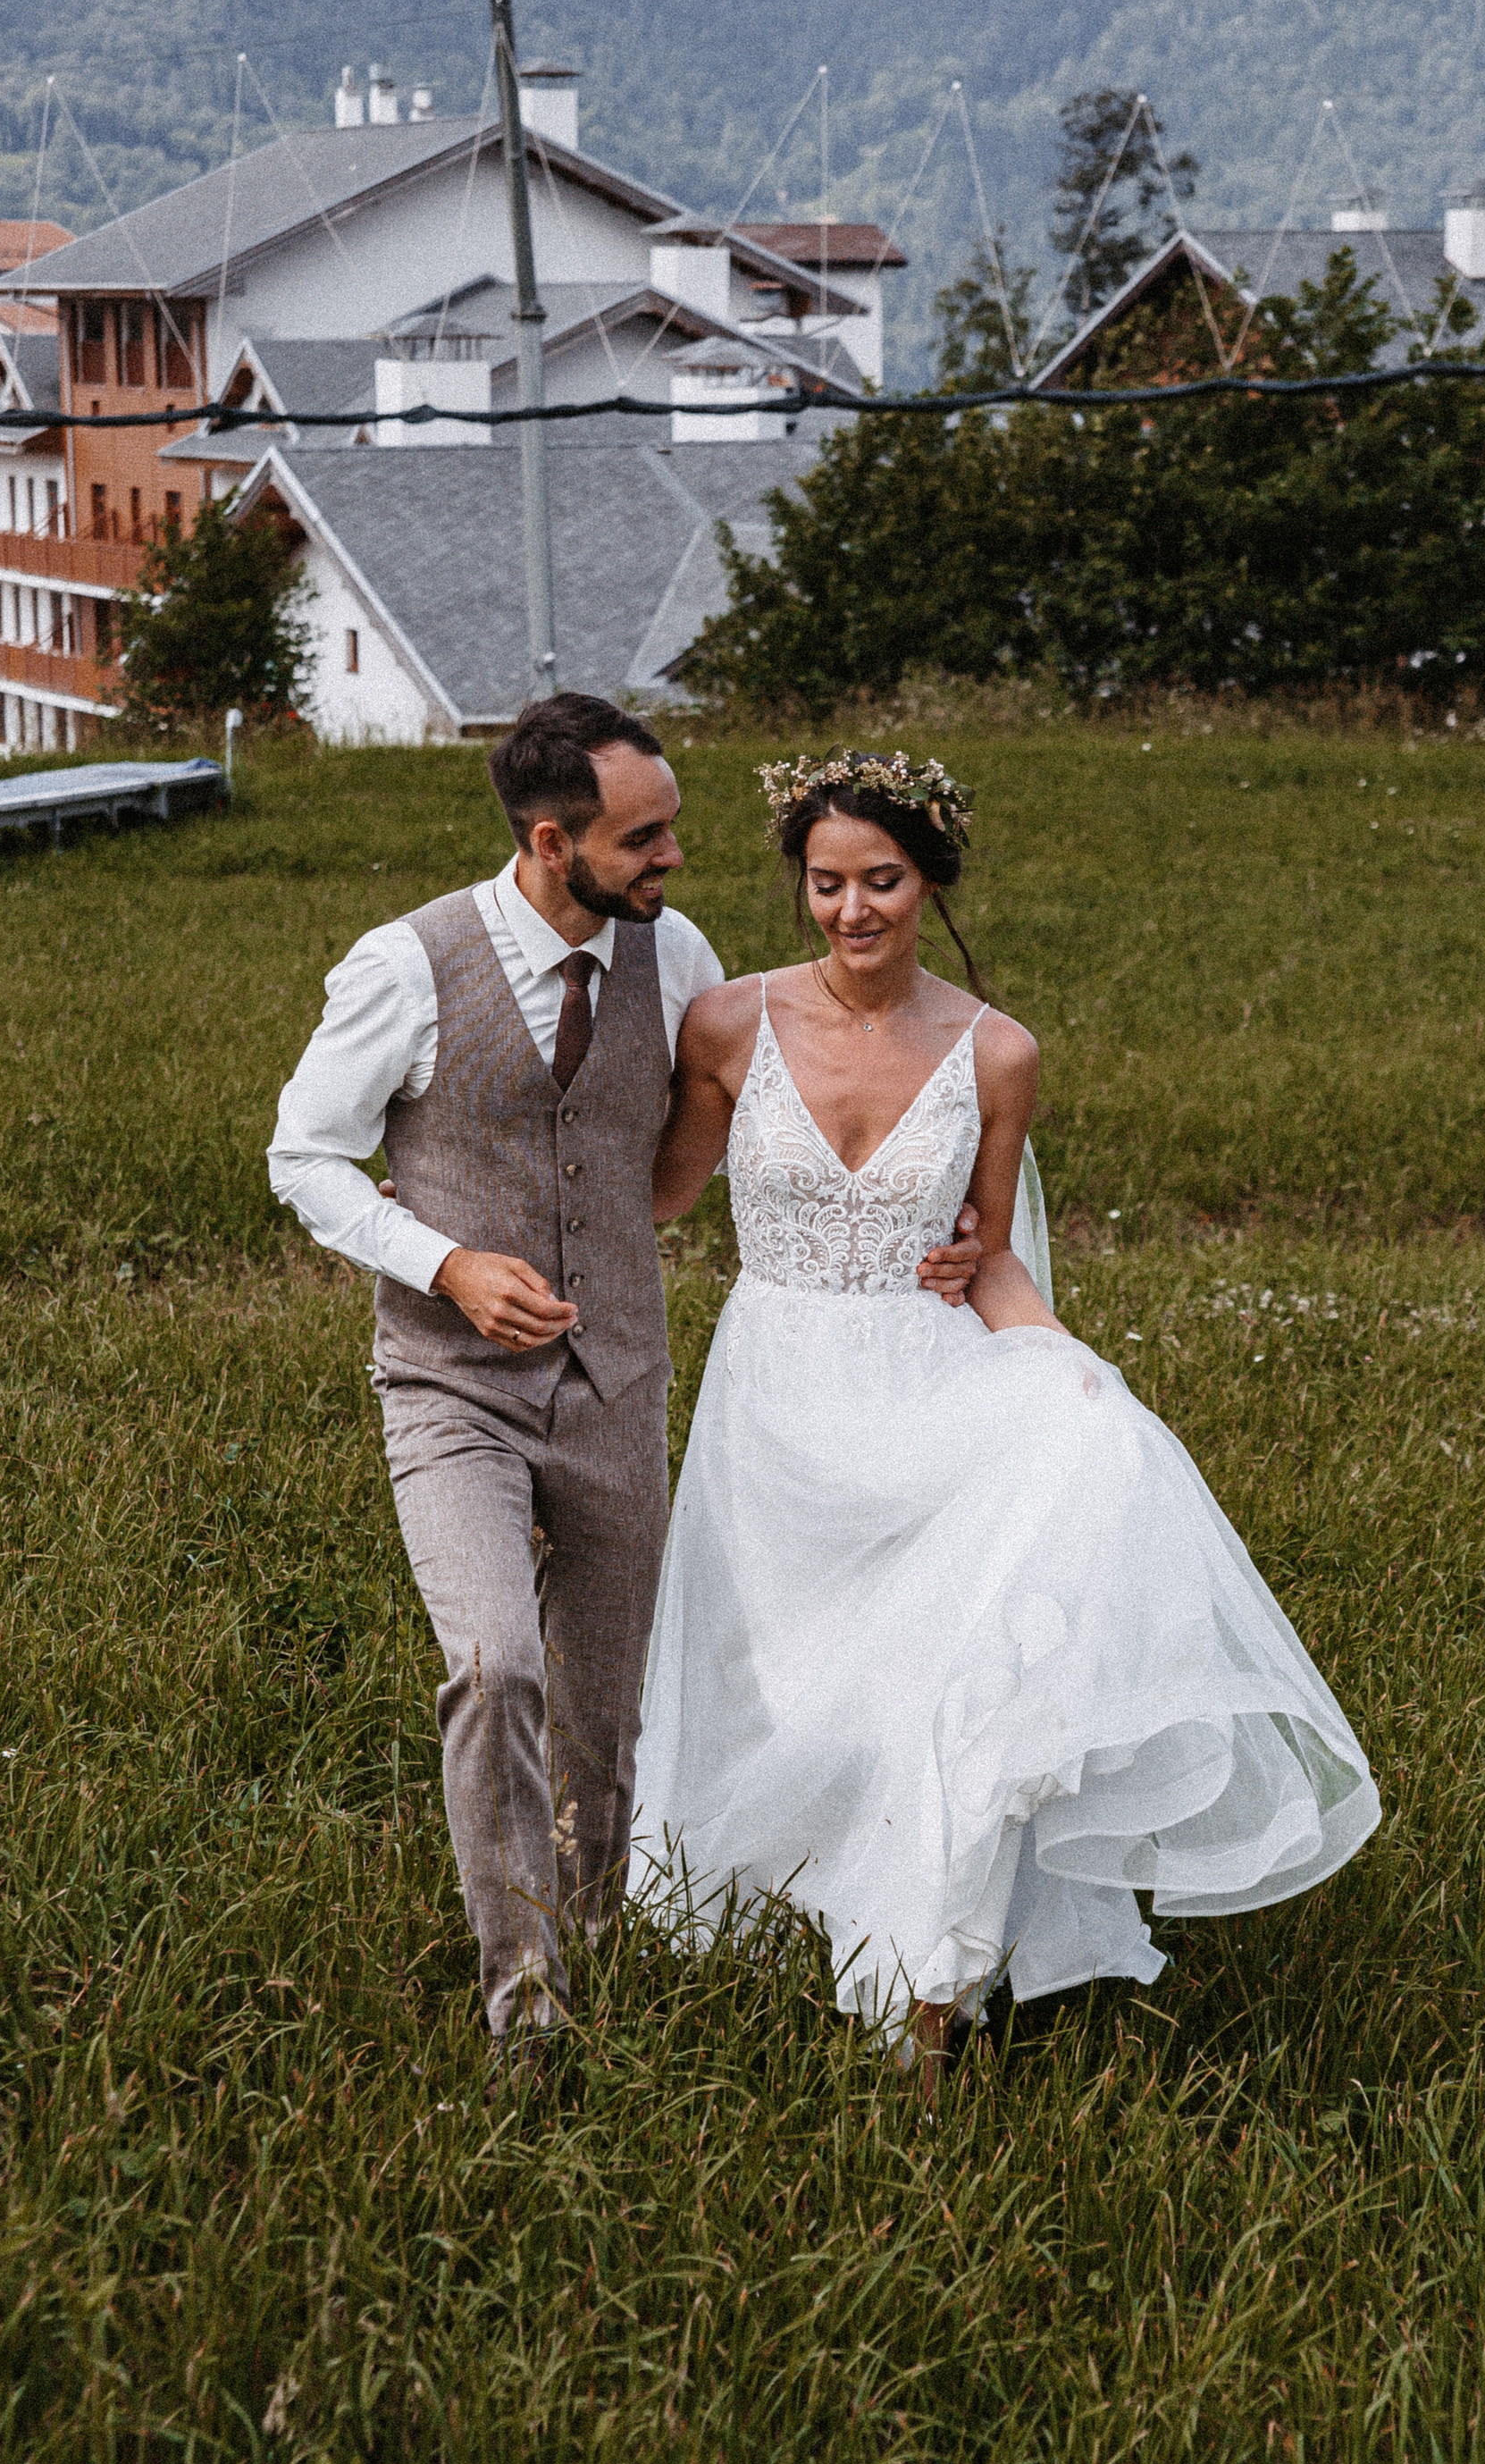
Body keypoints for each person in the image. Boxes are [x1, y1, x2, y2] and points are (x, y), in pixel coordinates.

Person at [633, 748, 1381, 2096]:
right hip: (777, 1406)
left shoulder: (995, 1049)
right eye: (826, 884)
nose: (853, 911)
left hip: (926, 1390)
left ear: (929, 881)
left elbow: (985, 1255)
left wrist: (1072, 1371)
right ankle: (789, 1908)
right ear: (798, 886)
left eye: (882, 882)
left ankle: (925, 1980)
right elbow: (661, 1198)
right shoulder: (729, 1025)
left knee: (943, 1680)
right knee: (792, 1693)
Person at [267, 692, 980, 2060]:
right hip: (449, 1388)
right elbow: (301, 1156)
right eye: (644, 839)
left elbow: (764, 1112)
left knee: (609, 1711)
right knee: (495, 1666)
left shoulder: (680, 956)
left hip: (620, 1386)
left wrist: (928, 1210)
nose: (673, 861)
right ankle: (523, 2002)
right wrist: (447, 1263)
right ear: (552, 842)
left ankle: (593, 1938)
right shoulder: (404, 967)